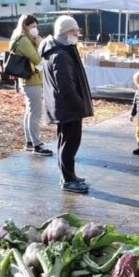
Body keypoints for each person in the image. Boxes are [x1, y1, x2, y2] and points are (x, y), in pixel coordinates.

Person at [39, 15, 94, 194]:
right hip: (68, 108)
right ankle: (69, 179)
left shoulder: (58, 49)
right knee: (69, 144)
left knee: (66, 142)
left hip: (63, 107)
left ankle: (68, 175)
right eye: (74, 31)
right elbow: (66, 87)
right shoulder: (60, 54)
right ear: (65, 32)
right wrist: (79, 105)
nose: (77, 34)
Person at [10, 14, 52, 156]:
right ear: (25, 26)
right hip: (31, 80)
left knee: (30, 111)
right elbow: (37, 58)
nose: (35, 29)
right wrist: (40, 43)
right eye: (32, 26)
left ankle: (29, 142)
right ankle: (37, 144)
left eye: (36, 26)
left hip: (28, 80)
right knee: (35, 112)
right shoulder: (23, 40)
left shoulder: (21, 38)